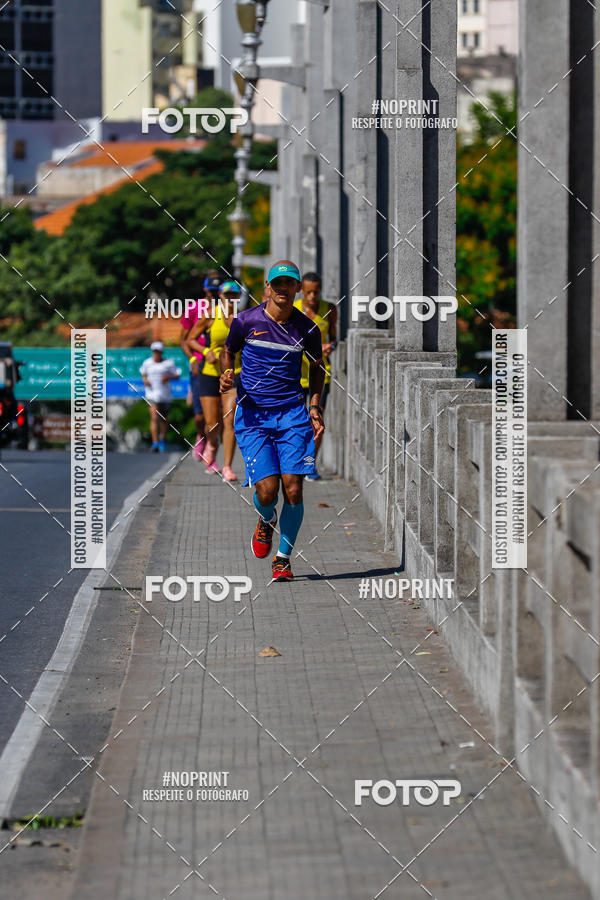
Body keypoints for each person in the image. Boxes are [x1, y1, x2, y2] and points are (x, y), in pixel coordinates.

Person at [219, 260, 325, 581]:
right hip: (253, 416)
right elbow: (229, 350)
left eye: (288, 284)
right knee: (268, 490)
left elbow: (318, 367)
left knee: (293, 489)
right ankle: (266, 520)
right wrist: (227, 371)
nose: (282, 288)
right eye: (276, 283)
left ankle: (283, 558)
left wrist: (315, 404)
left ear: (296, 289)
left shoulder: (307, 328)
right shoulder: (245, 321)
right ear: (268, 287)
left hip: (292, 414)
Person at [188, 280, 241, 481]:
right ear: (220, 295)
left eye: (234, 295)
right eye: (227, 295)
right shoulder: (211, 314)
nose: (231, 298)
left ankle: (227, 467)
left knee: (230, 420)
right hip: (210, 372)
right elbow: (190, 339)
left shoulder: (242, 318)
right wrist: (205, 351)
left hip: (234, 373)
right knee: (212, 423)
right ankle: (211, 445)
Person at [293, 271, 337, 480]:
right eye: (308, 292)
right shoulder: (293, 310)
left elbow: (335, 338)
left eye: (316, 292)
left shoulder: (329, 309)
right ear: (302, 290)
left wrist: (330, 346)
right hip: (294, 374)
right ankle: (294, 461)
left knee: (317, 421)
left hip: (320, 374)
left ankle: (310, 464)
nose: (312, 297)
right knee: (296, 422)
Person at [179, 274, 220, 461]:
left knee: (216, 413)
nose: (213, 295)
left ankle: (212, 448)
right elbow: (184, 340)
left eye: (216, 292)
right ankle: (200, 436)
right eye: (210, 291)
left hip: (219, 365)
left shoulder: (226, 310)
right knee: (199, 416)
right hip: (199, 363)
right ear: (205, 290)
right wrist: (192, 360)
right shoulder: (194, 309)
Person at [140, 341, 181, 452]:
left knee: (163, 419)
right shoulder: (147, 363)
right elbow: (143, 374)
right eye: (154, 351)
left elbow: (177, 374)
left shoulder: (168, 363)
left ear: (161, 352)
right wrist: (146, 380)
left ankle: (162, 438)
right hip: (152, 394)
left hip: (165, 395)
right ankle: (155, 443)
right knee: (154, 417)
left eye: (158, 351)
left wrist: (168, 377)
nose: (156, 353)